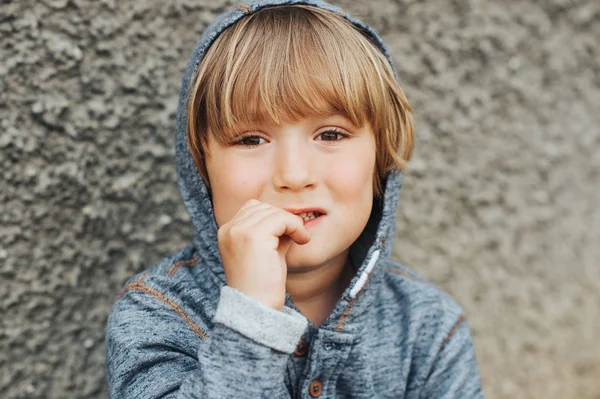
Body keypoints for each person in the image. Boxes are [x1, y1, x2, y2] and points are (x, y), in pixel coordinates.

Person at [105, 1, 485, 397]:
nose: (294, 175)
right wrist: (250, 320)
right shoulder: (157, 314)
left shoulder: (429, 326)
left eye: (331, 135)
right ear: (201, 169)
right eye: (251, 139)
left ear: (381, 161)